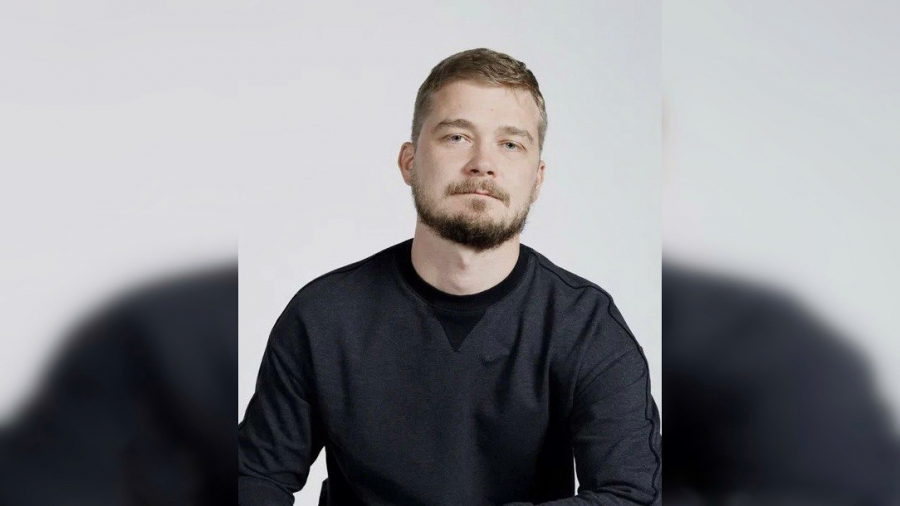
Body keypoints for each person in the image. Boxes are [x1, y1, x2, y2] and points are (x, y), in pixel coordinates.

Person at [238, 48, 661, 506]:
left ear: (537, 179)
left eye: (510, 144)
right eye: (457, 137)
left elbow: (633, 495)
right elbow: (256, 477)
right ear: (409, 161)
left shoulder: (586, 326)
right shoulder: (324, 315)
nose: (482, 163)